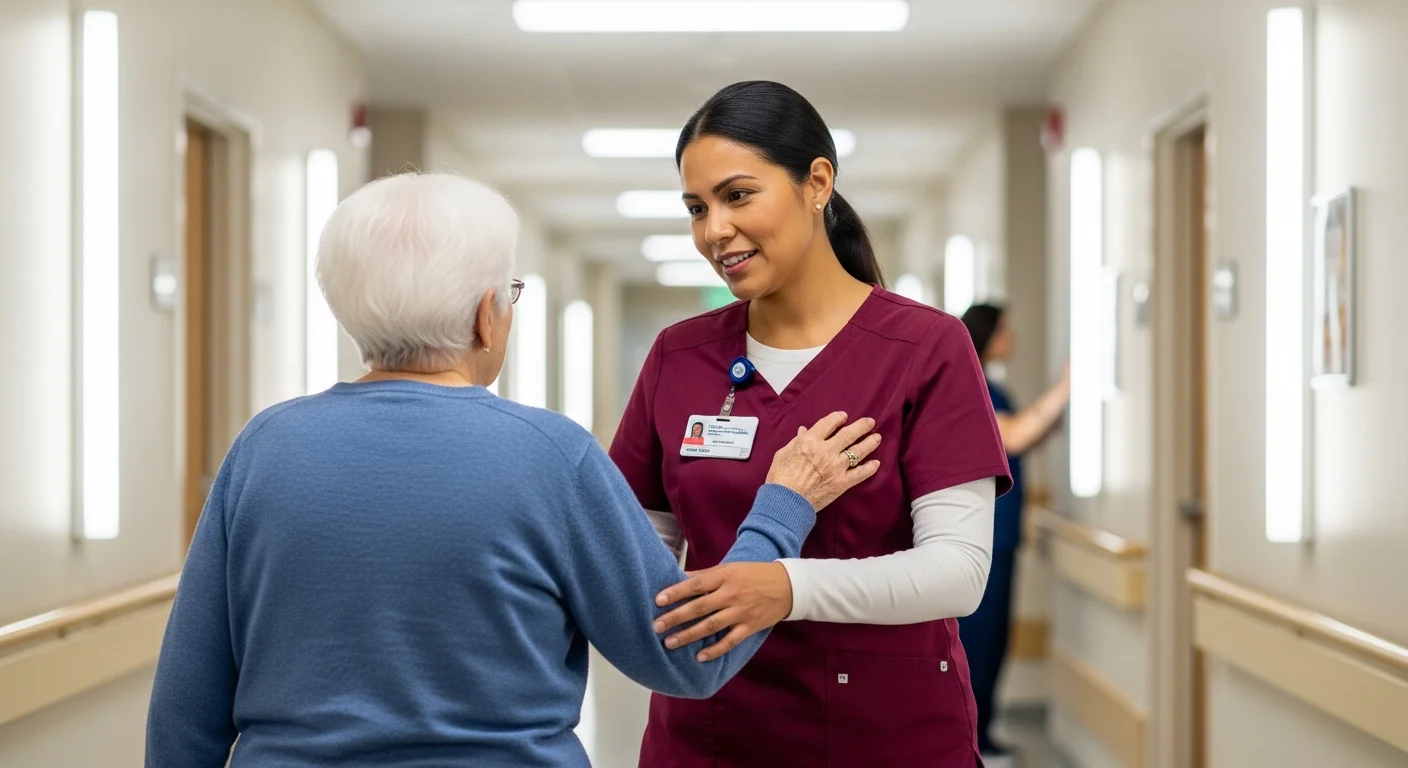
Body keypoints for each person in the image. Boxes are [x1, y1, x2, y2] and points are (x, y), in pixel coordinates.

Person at [144, 172, 885, 768]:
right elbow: (688, 656)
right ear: (484, 317)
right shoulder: (549, 456)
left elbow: (187, 707)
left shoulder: (263, 450)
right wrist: (782, 506)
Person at [608, 81, 1012, 767]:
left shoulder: (926, 349)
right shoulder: (679, 356)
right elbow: (638, 553)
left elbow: (958, 571)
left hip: (885, 732)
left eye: (738, 196)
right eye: (697, 208)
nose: (714, 231)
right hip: (714, 730)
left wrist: (786, 588)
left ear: (817, 182)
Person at [956, 303, 1070, 763]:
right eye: (1006, 328)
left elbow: (1019, 438)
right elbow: (1015, 437)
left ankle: (983, 731)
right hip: (985, 539)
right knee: (979, 641)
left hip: (1005, 539)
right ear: (989, 334)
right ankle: (971, 739)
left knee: (998, 640)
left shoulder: (996, 389)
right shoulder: (973, 386)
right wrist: (1068, 385)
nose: (1014, 336)